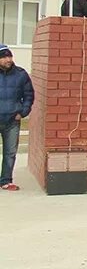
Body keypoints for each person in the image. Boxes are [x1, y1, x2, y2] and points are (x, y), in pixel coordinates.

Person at [0, 44, 34, 191]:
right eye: (4, 57)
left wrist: (23, 112)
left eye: (9, 56)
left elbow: (29, 95)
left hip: (12, 120)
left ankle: (6, 181)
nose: (8, 59)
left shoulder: (21, 74)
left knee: (10, 153)